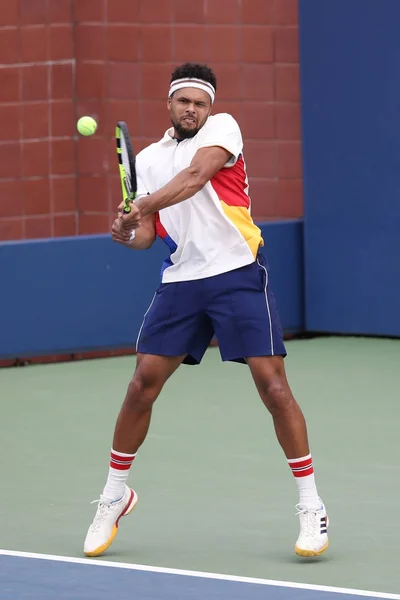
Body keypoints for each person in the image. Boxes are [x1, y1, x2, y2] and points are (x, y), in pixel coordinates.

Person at [83, 62, 329, 559]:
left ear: (209, 107)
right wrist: (128, 232)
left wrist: (144, 203)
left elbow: (196, 178)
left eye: (200, 102)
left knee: (272, 385)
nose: (192, 109)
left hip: (237, 272)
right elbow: (149, 235)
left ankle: (311, 505)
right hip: (181, 281)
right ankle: (114, 494)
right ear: (169, 104)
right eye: (183, 101)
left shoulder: (223, 130)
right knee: (141, 385)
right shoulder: (149, 159)